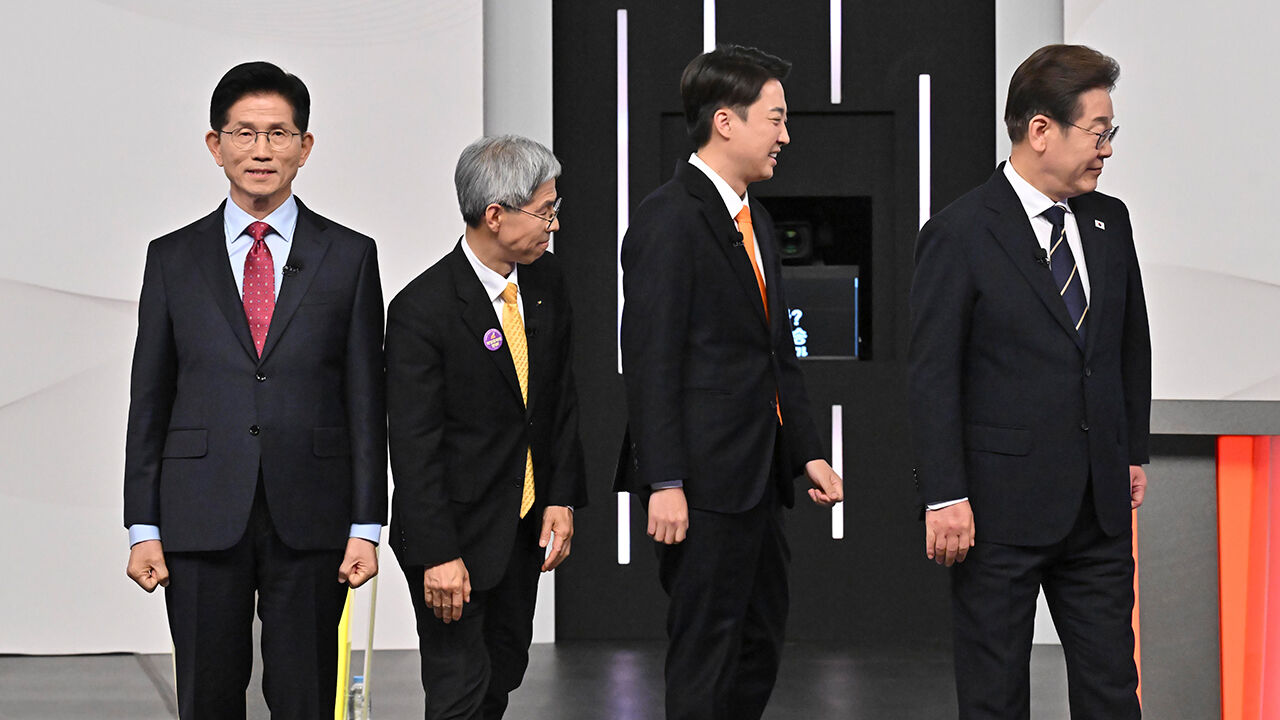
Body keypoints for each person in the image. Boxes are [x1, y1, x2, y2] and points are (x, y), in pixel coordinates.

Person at [122, 61, 386, 718]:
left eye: (278, 134)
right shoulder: (172, 257)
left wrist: (366, 524)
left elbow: (365, 400)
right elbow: (149, 399)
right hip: (199, 512)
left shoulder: (350, 256)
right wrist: (142, 526)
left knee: (305, 698)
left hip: (314, 514)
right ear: (216, 145)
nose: (261, 150)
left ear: (305, 146)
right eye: (244, 133)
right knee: (207, 698)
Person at [908, 44, 1151, 719]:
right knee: (995, 697)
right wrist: (945, 494)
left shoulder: (1109, 221)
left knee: (1112, 691)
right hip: (996, 514)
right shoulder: (959, 233)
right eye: (1097, 132)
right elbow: (933, 375)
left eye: (1110, 133)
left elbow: (1128, 344)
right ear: (1041, 130)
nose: (1107, 149)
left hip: (1098, 511)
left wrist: (1131, 450)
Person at [615, 45, 844, 720]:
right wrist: (665, 481)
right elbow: (651, 362)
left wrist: (807, 451)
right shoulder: (668, 219)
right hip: (701, 483)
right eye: (775, 119)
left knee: (759, 640)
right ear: (724, 121)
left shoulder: (757, 219)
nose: (785, 135)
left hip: (759, 477)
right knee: (706, 652)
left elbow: (776, 354)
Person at [386, 135, 588, 720]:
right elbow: (415, 447)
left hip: (521, 530)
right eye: (545, 211)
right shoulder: (422, 309)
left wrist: (560, 498)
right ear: (495, 215)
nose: (554, 224)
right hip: (454, 537)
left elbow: (559, 400)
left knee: (501, 677)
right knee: (459, 693)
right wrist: (438, 555)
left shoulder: (547, 282)